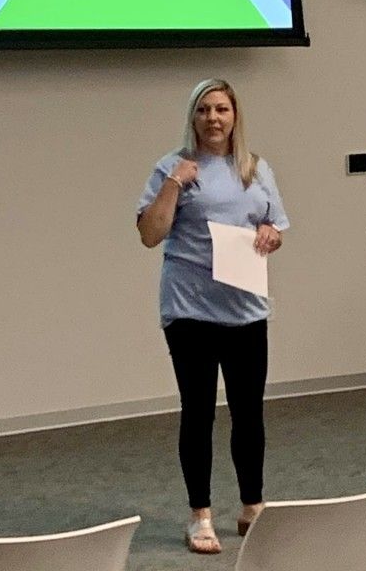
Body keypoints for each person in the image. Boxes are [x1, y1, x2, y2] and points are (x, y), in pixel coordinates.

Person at [137, 78, 289, 554]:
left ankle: (252, 508)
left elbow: (276, 226)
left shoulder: (256, 169)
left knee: (249, 413)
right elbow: (150, 234)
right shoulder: (171, 166)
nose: (213, 118)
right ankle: (199, 515)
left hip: (245, 307)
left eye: (221, 109)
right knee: (198, 412)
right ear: (193, 117)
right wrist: (175, 183)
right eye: (204, 110)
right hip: (189, 309)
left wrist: (269, 235)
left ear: (234, 115)